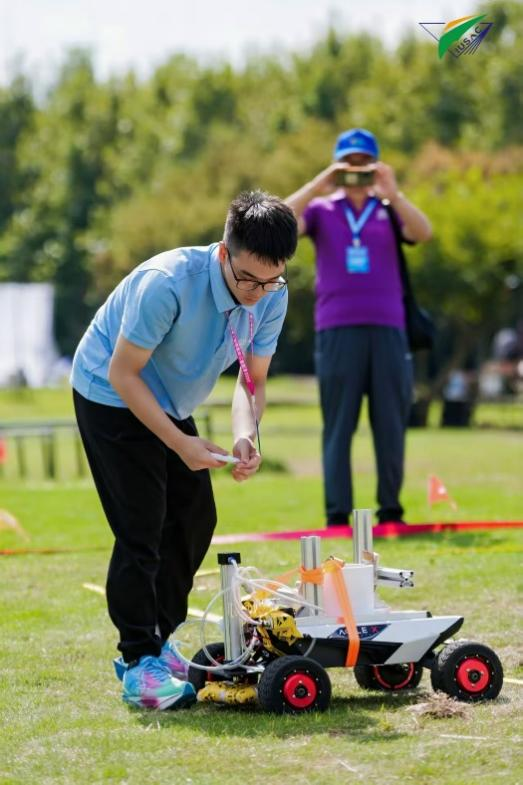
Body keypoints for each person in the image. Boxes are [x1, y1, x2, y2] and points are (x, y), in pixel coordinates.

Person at [71, 191, 297, 709]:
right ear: (224, 252)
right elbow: (123, 373)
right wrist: (180, 443)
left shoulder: (271, 293)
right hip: (110, 393)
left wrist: (245, 434)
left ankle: (158, 639)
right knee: (142, 525)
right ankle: (138, 662)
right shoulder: (168, 284)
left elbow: (253, 380)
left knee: (195, 517)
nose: (257, 295)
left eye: (271, 281)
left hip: (169, 399)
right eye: (247, 280)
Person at [286, 129, 432, 527]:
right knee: (338, 425)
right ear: (337, 165)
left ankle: (391, 509)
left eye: (363, 163)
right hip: (337, 329)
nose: (355, 170)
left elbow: (423, 232)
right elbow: (278, 223)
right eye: (348, 163)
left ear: (376, 165)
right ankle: (337, 514)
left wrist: (394, 194)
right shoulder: (321, 210)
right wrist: (317, 184)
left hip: (388, 328)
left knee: (390, 423)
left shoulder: (388, 208)